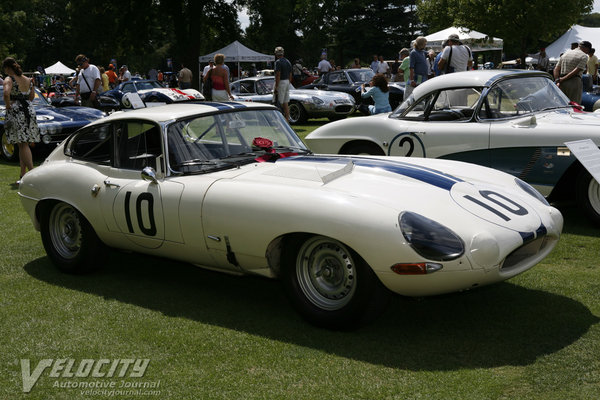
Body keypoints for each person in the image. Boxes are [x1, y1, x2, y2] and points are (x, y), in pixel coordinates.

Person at [2, 57, 40, 180]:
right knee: (22, 143)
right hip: (29, 109)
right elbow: (32, 96)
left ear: (7, 68)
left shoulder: (9, 79)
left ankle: (32, 175)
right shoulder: (28, 79)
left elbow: (6, 93)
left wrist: (8, 106)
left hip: (17, 111)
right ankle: (22, 174)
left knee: (23, 144)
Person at [274, 46, 293, 121]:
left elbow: (278, 74)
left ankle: (280, 121)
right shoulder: (288, 61)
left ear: (276, 54)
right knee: (286, 103)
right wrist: (288, 82)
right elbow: (290, 74)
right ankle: (287, 120)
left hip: (281, 82)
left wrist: (276, 86)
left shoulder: (278, 62)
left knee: (279, 103)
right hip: (287, 81)